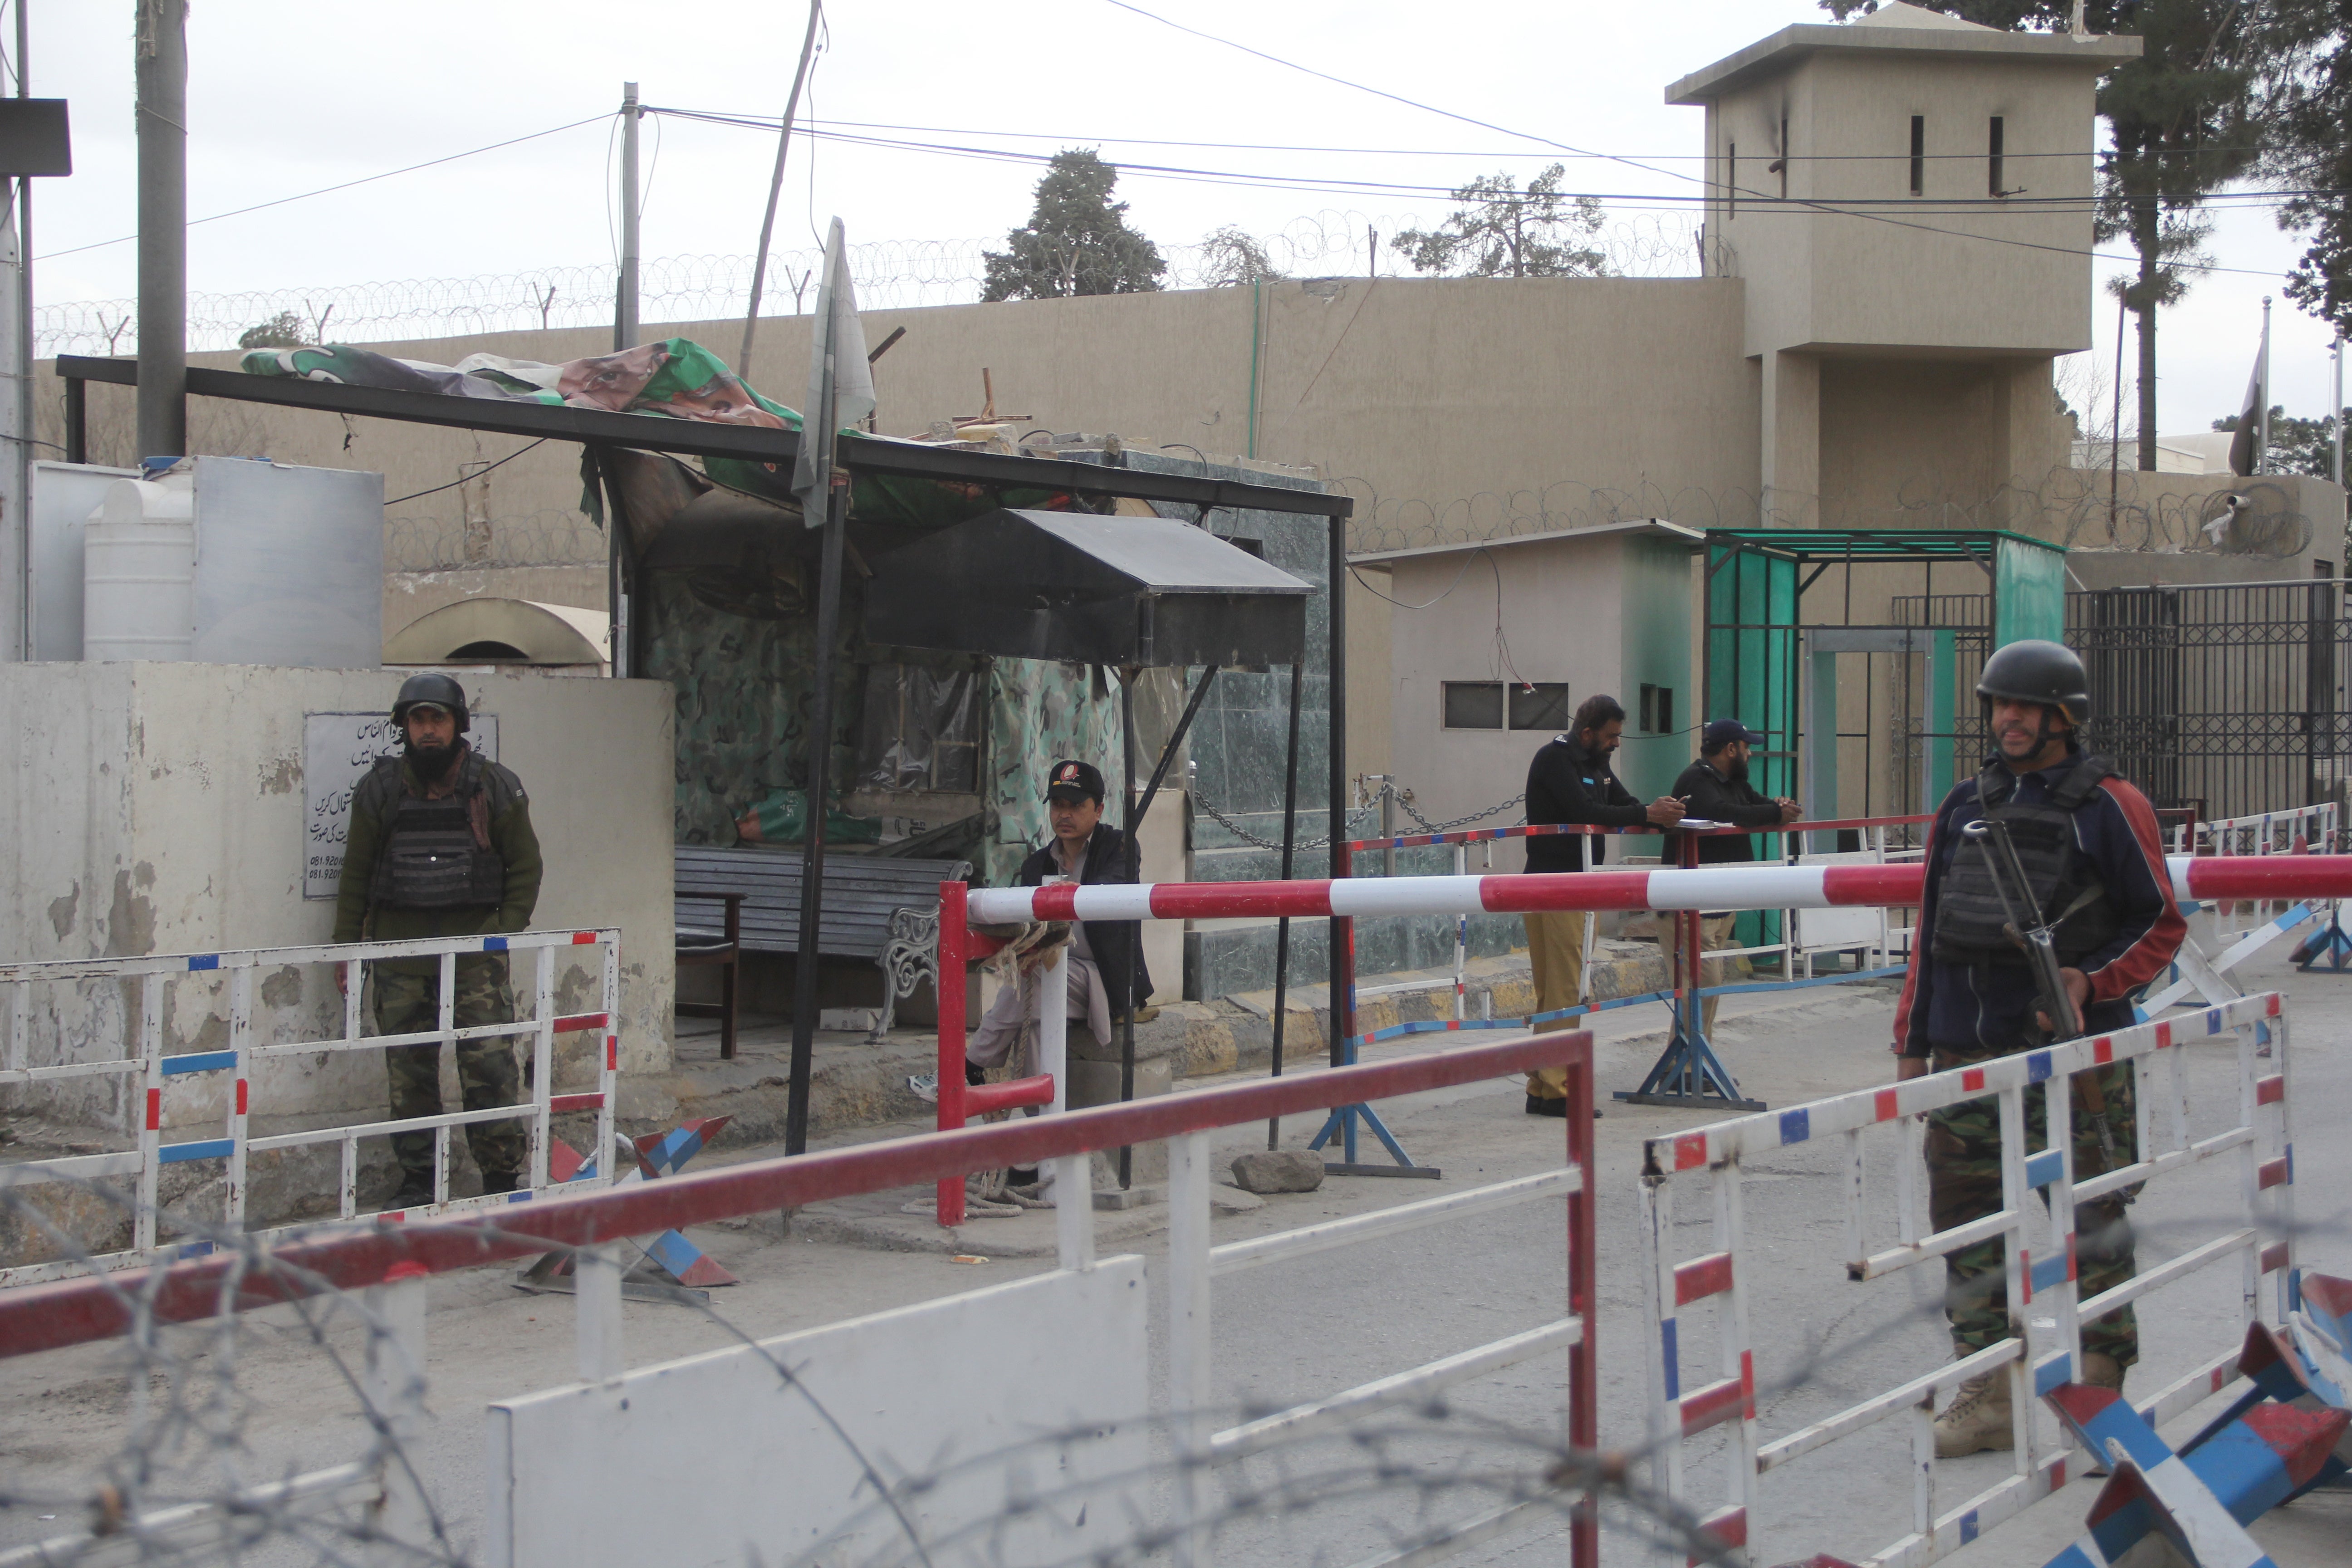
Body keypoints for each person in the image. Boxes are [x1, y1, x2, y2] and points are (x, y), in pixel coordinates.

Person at [1893, 640, 2184, 1458]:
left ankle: (2097, 1386)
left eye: (2022, 707)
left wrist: (2091, 983)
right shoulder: (1962, 803)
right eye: (1996, 705)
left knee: (2090, 1218)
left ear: (2062, 717)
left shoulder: (2109, 805)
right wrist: (1912, 1041)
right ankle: (1987, 1385)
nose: (2006, 719)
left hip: (2077, 1056)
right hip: (1964, 1049)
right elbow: (1930, 931)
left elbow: (2158, 921)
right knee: (1964, 1220)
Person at [334, 674, 543, 1210]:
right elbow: (356, 875)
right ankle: (419, 1179)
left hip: (474, 956)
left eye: (438, 719)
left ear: (457, 725)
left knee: (491, 1069)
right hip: (400, 958)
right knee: (409, 1074)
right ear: (403, 726)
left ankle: (500, 1177)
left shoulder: (494, 785)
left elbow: (525, 866)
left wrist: (501, 930)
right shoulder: (380, 789)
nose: (428, 731)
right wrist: (347, 950)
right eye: (418, 720)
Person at [1520, 694, 1685, 1117]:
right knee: (1562, 987)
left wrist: (1653, 813)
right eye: (1611, 736)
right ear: (1588, 732)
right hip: (1556, 885)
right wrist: (1645, 813)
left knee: (1558, 987)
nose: (1617, 744)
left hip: (1574, 885)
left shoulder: (1596, 763)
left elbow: (1620, 803)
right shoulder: (1557, 759)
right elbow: (1585, 810)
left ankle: (1542, 1084)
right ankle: (1557, 1089)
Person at [966, 759, 1152, 1091]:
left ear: (1099, 810)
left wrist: (1078, 894)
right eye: (1057, 805)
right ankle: (1038, 1118)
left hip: (1102, 980)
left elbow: (1114, 883)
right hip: (1052, 972)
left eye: (1076, 806)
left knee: (1037, 973)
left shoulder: (1119, 847)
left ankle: (972, 1063)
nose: (1064, 815)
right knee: (1035, 1017)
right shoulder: (1037, 864)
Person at [1661, 720, 1803, 1038]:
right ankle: (1686, 1063)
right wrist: (1772, 814)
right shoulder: (1697, 779)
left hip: (1717, 905)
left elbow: (1756, 804)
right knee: (1703, 983)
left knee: (1706, 988)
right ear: (1730, 749)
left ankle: (1691, 1061)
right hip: (1689, 906)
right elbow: (1721, 812)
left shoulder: (1734, 782)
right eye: (1746, 747)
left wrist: (1780, 806)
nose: (1750, 754)